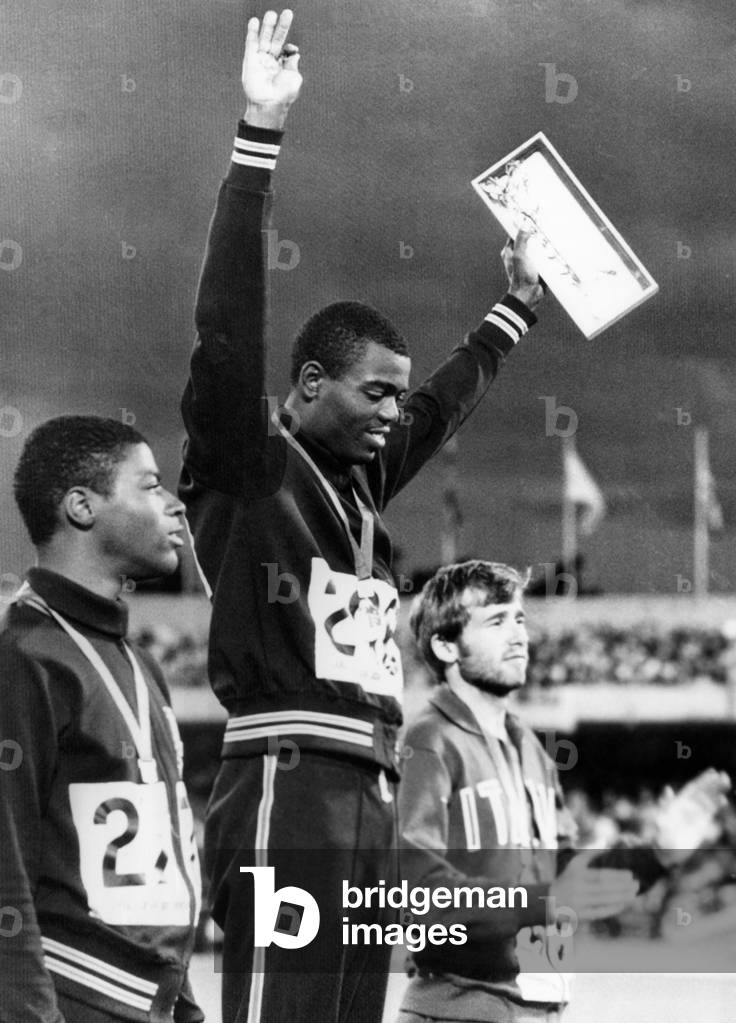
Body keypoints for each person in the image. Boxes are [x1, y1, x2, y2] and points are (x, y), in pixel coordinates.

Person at [179, 10, 545, 1022]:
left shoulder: (356, 489)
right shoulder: (249, 466)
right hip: (286, 781)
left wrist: (510, 313)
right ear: (303, 386)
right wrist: (259, 134)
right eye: (371, 393)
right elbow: (224, 328)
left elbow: (440, 405)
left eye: (396, 396)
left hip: (369, 785)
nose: (393, 413)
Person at [396, 559, 729, 1023]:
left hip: (540, 1011)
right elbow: (418, 894)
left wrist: (656, 855)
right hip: (460, 1010)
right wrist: (545, 900)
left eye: (519, 619)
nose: (518, 635)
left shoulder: (531, 749)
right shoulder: (429, 741)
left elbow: (572, 875)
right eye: (495, 621)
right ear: (446, 646)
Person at [0, 416, 203, 1023]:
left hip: (151, 1001)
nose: (175, 505)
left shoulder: (141, 663)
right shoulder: (13, 659)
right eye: (151, 486)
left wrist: (183, 1003)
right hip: (73, 998)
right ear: (82, 506)